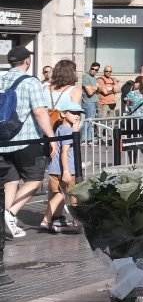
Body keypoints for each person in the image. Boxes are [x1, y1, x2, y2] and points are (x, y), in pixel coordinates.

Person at [0, 46, 50, 238]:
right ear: (27, 61)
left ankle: (7, 223)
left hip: (2, 139)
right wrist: (50, 137)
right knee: (35, 179)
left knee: (10, 180)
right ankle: (11, 213)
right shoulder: (30, 82)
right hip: (25, 140)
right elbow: (39, 111)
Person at [40, 60, 84, 233]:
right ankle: (73, 219)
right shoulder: (74, 90)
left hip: (47, 135)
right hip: (66, 135)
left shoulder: (46, 89)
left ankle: (54, 218)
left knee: (54, 177)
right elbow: (76, 114)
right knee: (69, 179)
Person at [81, 61, 100, 144]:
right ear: (90, 67)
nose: (94, 71)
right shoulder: (86, 77)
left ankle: (89, 139)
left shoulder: (94, 78)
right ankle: (84, 139)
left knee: (91, 121)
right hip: (88, 102)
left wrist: (94, 88)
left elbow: (98, 90)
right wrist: (95, 87)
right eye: (93, 69)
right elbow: (89, 92)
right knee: (88, 121)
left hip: (94, 101)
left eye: (96, 70)